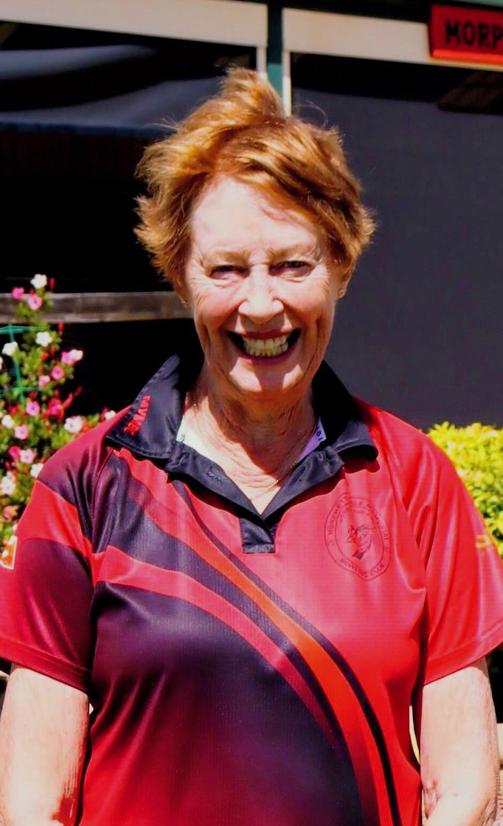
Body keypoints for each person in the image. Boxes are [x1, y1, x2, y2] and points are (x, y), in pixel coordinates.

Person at [0, 69, 502, 826]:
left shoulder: (414, 480)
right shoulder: (83, 487)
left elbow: (463, 789)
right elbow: (35, 801)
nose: (261, 303)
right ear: (181, 276)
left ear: (340, 266)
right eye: (226, 269)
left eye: (293, 264)